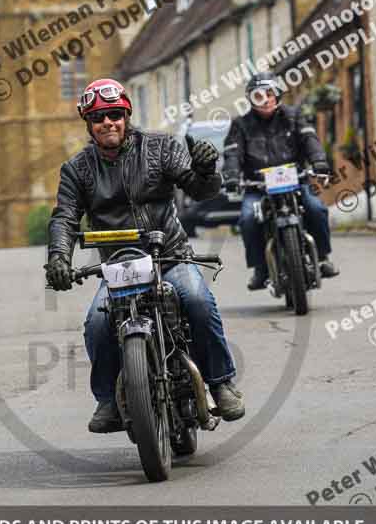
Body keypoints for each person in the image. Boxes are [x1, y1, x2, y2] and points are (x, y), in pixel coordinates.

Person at [46, 77, 244, 433]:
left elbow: (200, 191)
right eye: (98, 117)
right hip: (118, 267)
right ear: (88, 125)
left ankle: (220, 382)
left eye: (114, 114)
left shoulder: (161, 147)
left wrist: (204, 169)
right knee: (97, 323)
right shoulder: (77, 170)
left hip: (169, 257)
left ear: (126, 115)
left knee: (198, 299)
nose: (107, 122)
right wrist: (59, 257)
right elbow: (64, 217)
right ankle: (107, 399)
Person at [223, 72, 339, 291]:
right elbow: (232, 153)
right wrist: (231, 175)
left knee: (317, 208)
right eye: (258, 96)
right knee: (247, 219)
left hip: (296, 180)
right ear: (251, 99)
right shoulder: (240, 125)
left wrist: (319, 162)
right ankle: (260, 269)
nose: (265, 100)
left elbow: (310, 140)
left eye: (269, 94)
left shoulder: (294, 116)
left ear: (277, 95)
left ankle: (323, 258)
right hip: (257, 185)